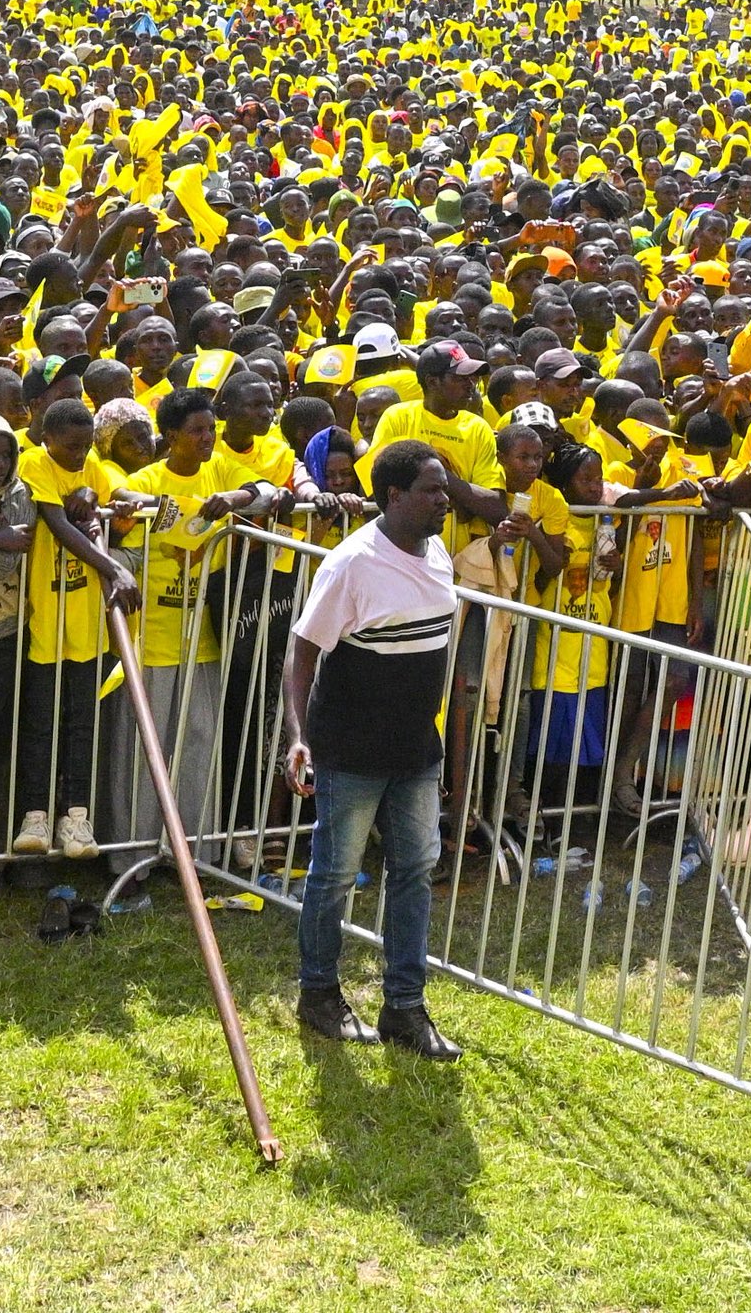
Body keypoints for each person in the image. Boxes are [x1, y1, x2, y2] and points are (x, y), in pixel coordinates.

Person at [280, 436, 461, 1060]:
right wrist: (299, 738)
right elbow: (302, 655)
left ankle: (404, 1008)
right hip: (351, 748)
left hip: (415, 746)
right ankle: (319, 994)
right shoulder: (351, 563)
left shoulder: (438, 549)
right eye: (432, 490)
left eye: (445, 488)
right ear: (393, 496)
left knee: (414, 872)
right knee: (333, 876)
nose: (445, 500)